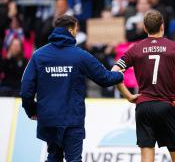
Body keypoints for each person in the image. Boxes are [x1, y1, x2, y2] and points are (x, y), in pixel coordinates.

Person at [20, 15, 124, 162]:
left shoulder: (39, 55)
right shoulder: (79, 55)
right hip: (72, 119)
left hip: (49, 118)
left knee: (53, 157)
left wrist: (32, 110)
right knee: (74, 159)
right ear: (70, 30)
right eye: (76, 28)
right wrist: (120, 75)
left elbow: (26, 90)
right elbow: (105, 79)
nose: (77, 32)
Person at [112, 10, 175, 162]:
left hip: (143, 106)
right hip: (166, 106)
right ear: (162, 27)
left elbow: (114, 72)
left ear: (145, 28)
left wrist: (129, 96)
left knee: (146, 157)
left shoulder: (135, 48)